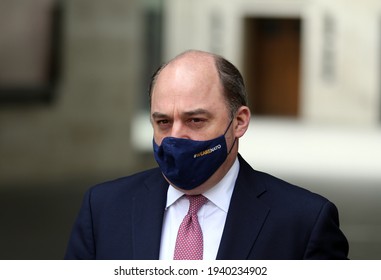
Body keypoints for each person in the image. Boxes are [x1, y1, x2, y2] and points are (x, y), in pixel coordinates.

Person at [65, 50, 349, 260]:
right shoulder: (103, 209)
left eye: (195, 120)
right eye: (163, 122)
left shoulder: (304, 221)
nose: (176, 137)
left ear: (239, 122)